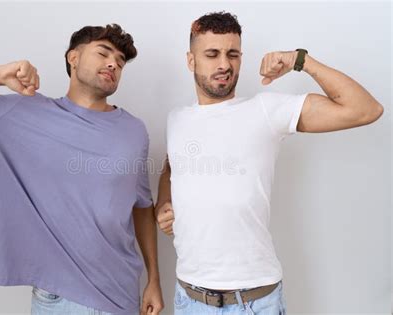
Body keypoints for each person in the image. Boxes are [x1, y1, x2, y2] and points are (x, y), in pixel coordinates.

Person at [0, 24, 164, 315]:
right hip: (56, 300)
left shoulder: (134, 131)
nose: (113, 63)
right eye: (103, 53)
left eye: (121, 62)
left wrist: (154, 280)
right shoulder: (21, 112)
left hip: (120, 296)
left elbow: (141, 207)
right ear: (73, 58)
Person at [155, 12, 383, 315]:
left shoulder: (265, 110)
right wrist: (164, 204)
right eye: (212, 54)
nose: (224, 64)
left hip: (254, 301)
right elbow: (171, 168)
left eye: (232, 54)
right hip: (189, 300)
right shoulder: (177, 119)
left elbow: (365, 109)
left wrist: (301, 60)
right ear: (190, 60)